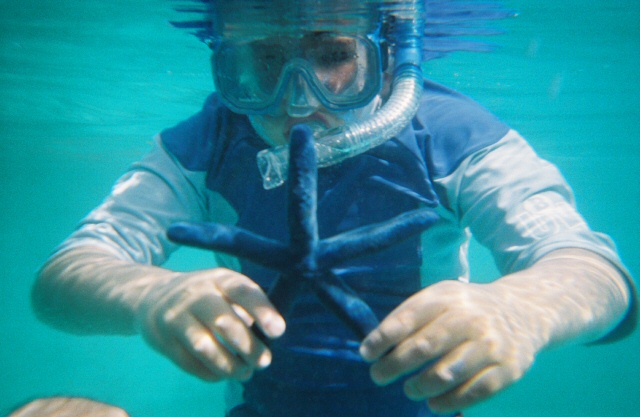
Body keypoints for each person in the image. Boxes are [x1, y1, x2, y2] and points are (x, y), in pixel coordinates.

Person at [32, 1, 636, 416]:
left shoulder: (451, 134)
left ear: (386, 53)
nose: (298, 98)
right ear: (227, 63)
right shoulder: (205, 144)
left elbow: (592, 270)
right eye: (263, 60)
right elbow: (65, 279)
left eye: (332, 56)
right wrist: (149, 296)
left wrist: (519, 309)